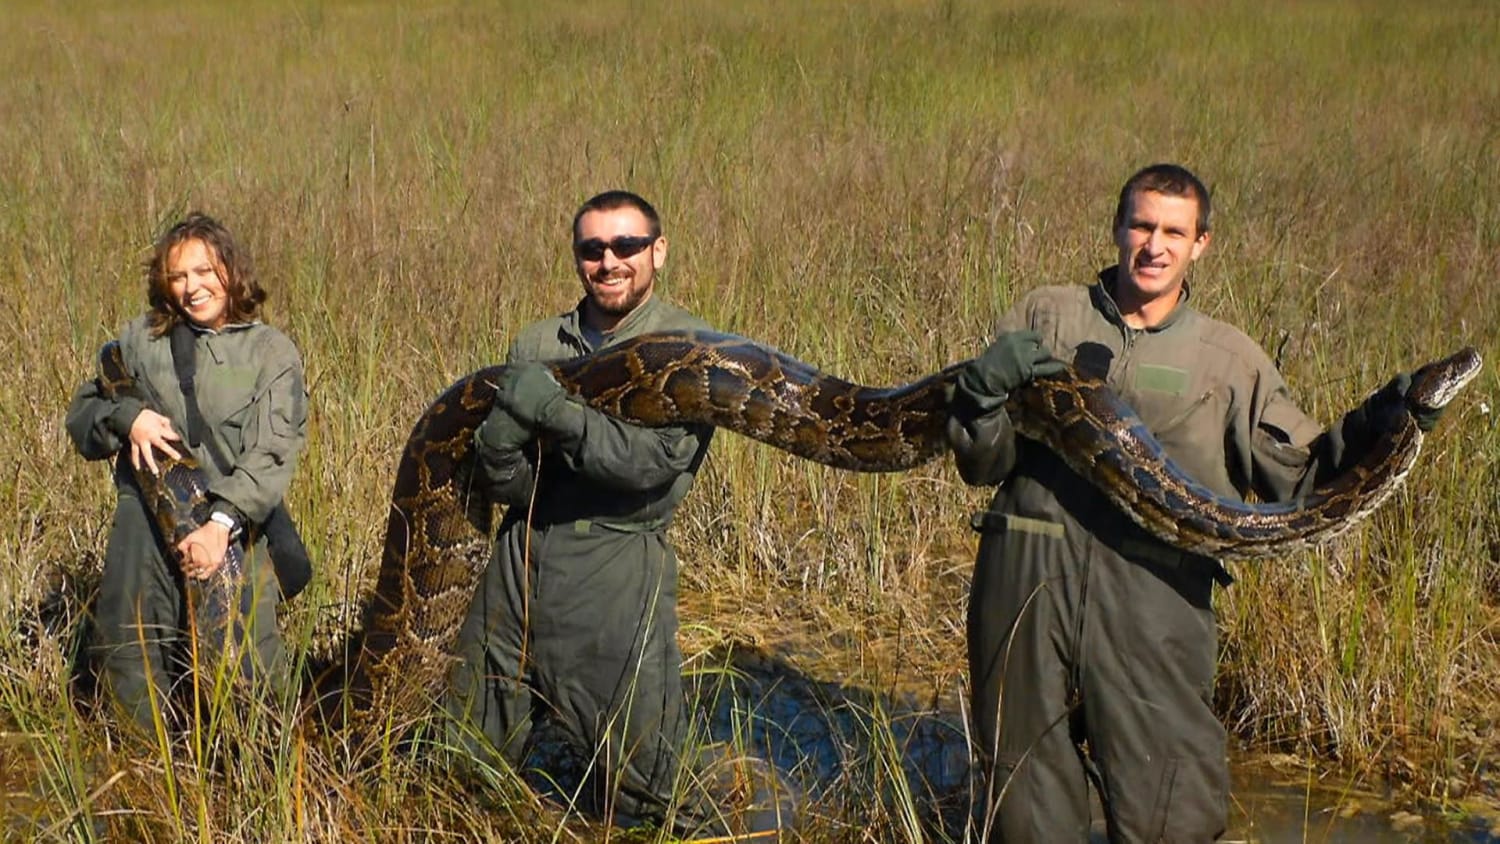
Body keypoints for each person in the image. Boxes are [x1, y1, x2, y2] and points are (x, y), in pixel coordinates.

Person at [947, 163, 1445, 841]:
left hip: (1155, 594)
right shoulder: (1046, 316)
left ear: (1200, 244)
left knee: (1170, 803)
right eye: (1142, 225)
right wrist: (978, 398)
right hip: (1026, 572)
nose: (1155, 245)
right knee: (1022, 790)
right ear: (1118, 229)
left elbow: (1299, 482)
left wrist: (1389, 419)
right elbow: (984, 462)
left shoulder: (1227, 360)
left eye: (1174, 232)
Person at [446, 190, 741, 834]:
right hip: (518, 563)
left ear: (657, 252)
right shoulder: (536, 341)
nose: (609, 261)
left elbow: (651, 468)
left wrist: (557, 414)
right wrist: (496, 455)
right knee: (467, 756)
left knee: (642, 795)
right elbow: (516, 482)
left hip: (616, 566)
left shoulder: (692, 349)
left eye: (626, 246)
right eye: (592, 248)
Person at [66, 212, 307, 732]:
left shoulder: (271, 352)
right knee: (131, 651)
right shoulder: (140, 341)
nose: (193, 287)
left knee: (251, 680)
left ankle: (254, 784)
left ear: (230, 269)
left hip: (233, 524)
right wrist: (127, 418)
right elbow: (83, 419)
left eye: (204, 271)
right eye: (179, 277)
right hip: (144, 518)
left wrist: (222, 526)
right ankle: (146, 780)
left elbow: (272, 451)